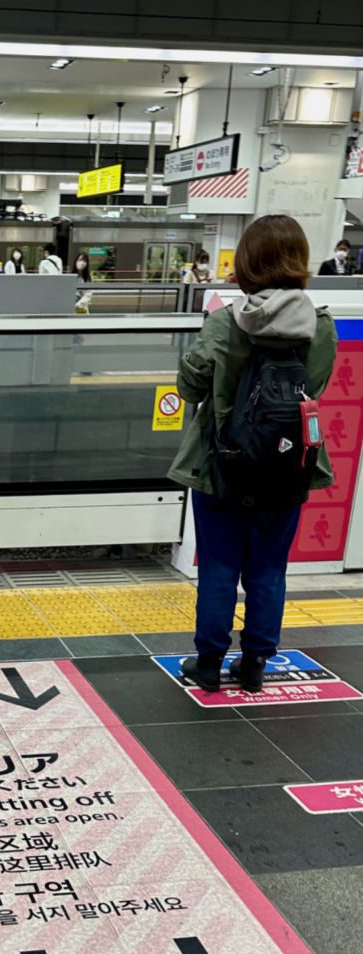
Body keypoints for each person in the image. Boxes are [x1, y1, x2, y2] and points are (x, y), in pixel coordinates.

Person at [170, 214, 337, 693]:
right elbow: (315, 386)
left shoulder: (227, 321)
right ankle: (256, 665)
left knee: (220, 567)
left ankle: (208, 664)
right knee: (268, 569)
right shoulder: (320, 327)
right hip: (288, 468)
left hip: (224, 467)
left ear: (246, 264)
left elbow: (191, 387)